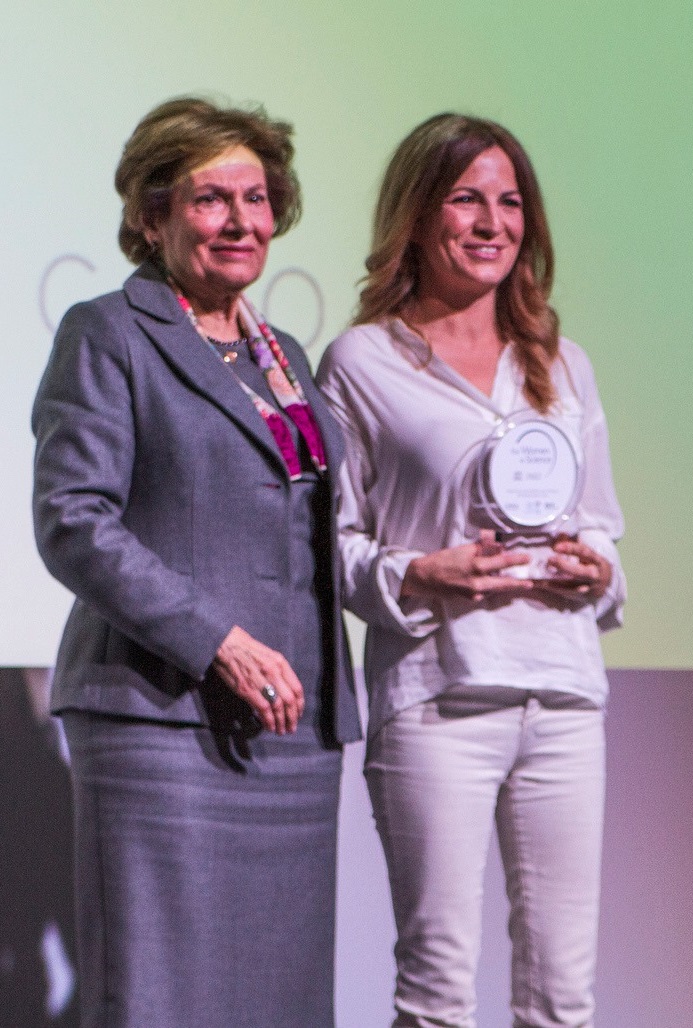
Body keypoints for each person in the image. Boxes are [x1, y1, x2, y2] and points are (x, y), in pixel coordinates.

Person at [32, 96, 360, 1028]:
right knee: (160, 996)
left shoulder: (284, 355)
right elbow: (72, 519)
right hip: (160, 721)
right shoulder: (108, 334)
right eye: (212, 199)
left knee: (282, 1002)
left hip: (292, 734)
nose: (241, 222)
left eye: (257, 199)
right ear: (152, 214)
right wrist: (218, 641)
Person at [317, 113, 625, 1028]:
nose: (492, 222)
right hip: (438, 699)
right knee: (438, 993)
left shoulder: (562, 364)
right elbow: (331, 545)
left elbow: (604, 526)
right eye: (465, 199)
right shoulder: (362, 362)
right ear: (417, 215)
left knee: (562, 996)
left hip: (564, 696)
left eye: (510, 202)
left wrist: (592, 568)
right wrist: (420, 576)